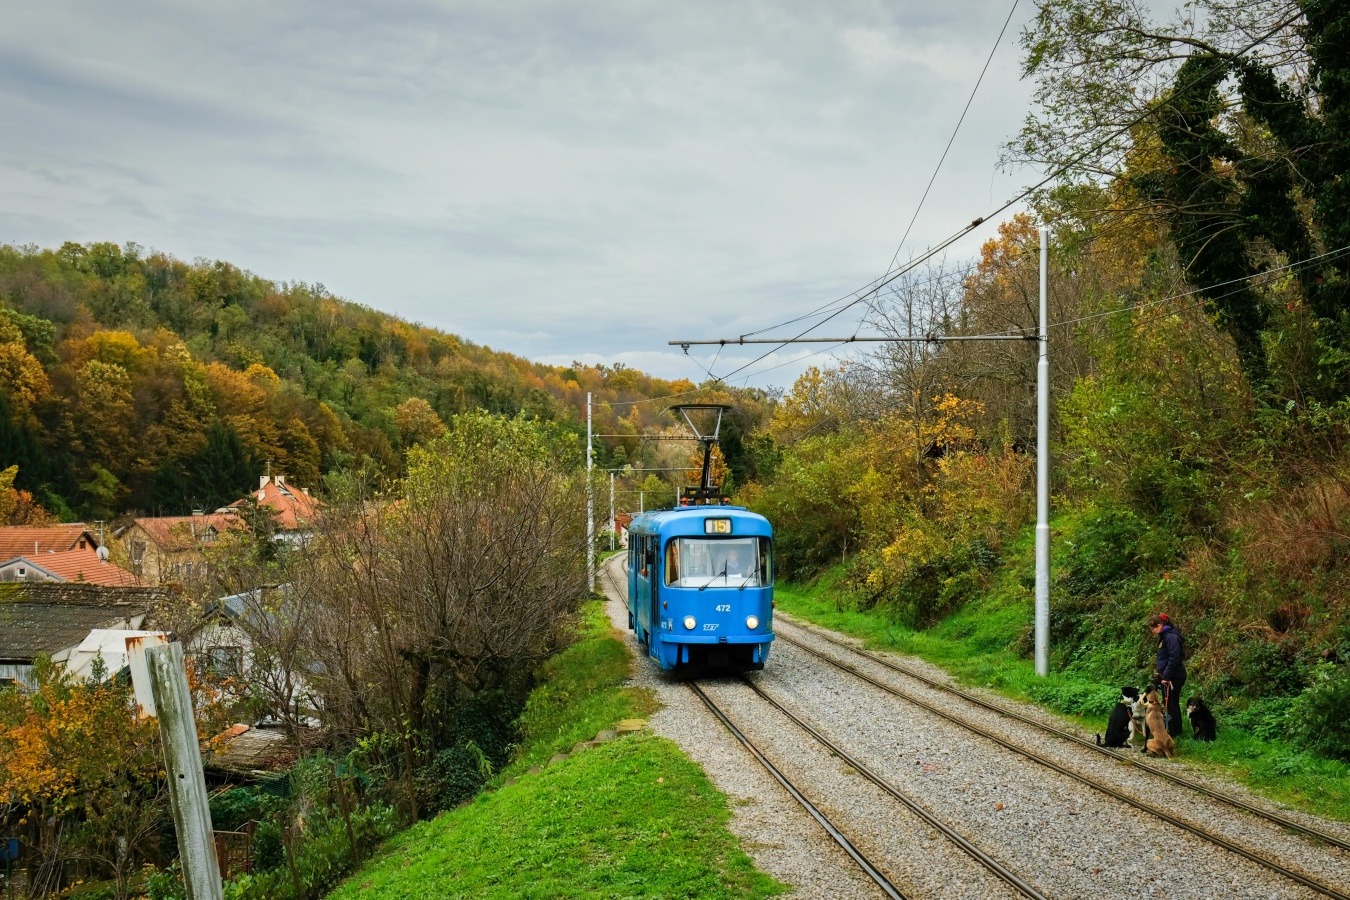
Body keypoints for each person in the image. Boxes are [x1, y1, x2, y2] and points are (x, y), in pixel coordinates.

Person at [1148, 613, 1186, 738]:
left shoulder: (1171, 637)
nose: (1152, 631)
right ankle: (1170, 730)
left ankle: (1175, 733)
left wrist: (1166, 677)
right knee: (1169, 704)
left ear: (1160, 625)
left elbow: (1174, 658)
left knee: (1172, 704)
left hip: (1174, 676)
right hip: (1168, 676)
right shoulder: (1164, 636)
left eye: (1153, 628)